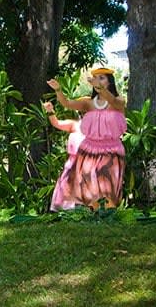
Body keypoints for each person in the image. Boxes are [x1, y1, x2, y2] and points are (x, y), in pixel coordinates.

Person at [47, 67, 127, 209]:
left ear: (110, 82)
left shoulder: (119, 101)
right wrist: (58, 90)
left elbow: (114, 102)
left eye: (102, 78)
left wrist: (98, 86)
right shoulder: (88, 103)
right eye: (96, 78)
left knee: (109, 183)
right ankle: (93, 213)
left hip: (112, 149)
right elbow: (66, 103)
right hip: (89, 148)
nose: (98, 81)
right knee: (89, 182)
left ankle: (110, 214)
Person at [42, 101, 84, 212]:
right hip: (73, 162)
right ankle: (66, 212)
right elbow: (56, 123)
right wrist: (50, 111)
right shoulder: (75, 125)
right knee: (67, 185)